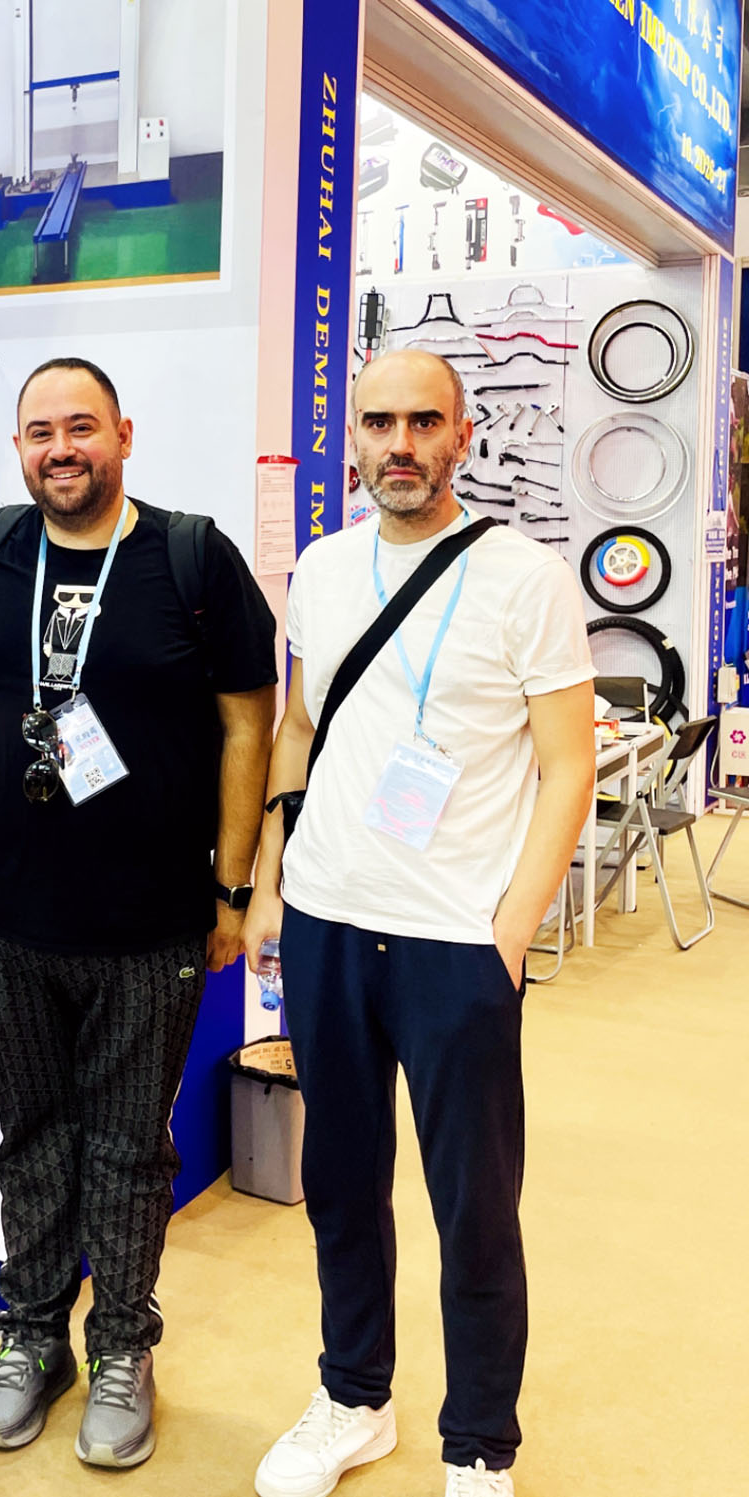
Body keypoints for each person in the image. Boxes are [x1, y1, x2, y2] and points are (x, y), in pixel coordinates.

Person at [244, 350, 595, 1497]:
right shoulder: (321, 569)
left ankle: (478, 1444)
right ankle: (353, 1399)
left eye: (422, 422)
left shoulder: (524, 578)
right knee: (342, 1185)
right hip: (329, 922)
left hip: (455, 941)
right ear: (351, 436)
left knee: (472, 1207)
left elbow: (567, 766)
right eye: (377, 422)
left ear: (460, 435)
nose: (398, 443)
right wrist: (270, 879)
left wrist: (509, 932)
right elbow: (299, 728)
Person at [0, 357, 277, 1468]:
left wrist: (232, 886)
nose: (61, 449)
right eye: (40, 433)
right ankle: (32, 1335)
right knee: (30, 1137)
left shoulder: (190, 558)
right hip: (8, 922)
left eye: (81, 427)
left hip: (151, 923)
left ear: (123, 434)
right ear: (18, 448)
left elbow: (248, 723)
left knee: (129, 1148)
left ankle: (123, 1344)